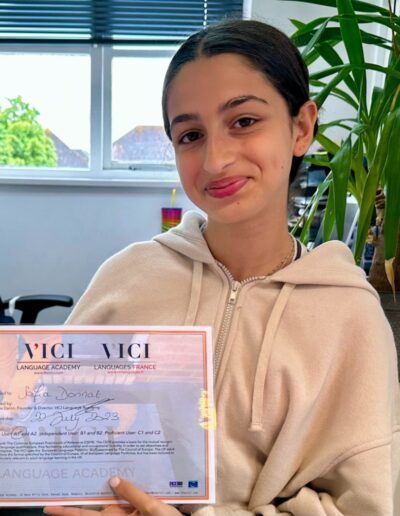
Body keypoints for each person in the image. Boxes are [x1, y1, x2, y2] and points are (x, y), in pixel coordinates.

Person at [44, 19, 400, 516]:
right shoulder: (125, 278)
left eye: (244, 122)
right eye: (190, 134)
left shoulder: (351, 315)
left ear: (301, 127)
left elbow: (367, 504)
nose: (215, 160)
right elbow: (52, 431)